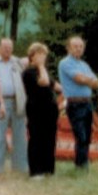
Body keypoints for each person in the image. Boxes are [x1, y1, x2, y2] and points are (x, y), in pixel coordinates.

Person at [57, 35, 98, 170]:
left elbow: (97, 83)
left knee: (87, 136)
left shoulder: (84, 65)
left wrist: (87, 80)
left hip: (87, 103)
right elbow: (78, 79)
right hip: (75, 104)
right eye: (75, 46)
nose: (78, 49)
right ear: (68, 48)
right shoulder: (65, 63)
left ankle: (83, 164)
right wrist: (89, 80)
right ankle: (80, 166)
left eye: (81, 46)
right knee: (80, 136)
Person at [22, 43, 60, 178]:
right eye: (39, 54)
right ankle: (36, 171)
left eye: (44, 55)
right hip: (36, 109)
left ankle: (48, 169)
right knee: (37, 139)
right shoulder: (29, 72)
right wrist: (40, 66)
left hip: (50, 109)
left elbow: (56, 87)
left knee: (49, 139)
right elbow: (43, 82)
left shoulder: (45, 71)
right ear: (32, 56)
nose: (43, 57)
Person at [0, 37, 27, 174]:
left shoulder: (17, 62)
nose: (7, 49)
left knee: (19, 134)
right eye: (5, 47)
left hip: (17, 100)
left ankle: (20, 166)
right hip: (0, 101)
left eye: (10, 47)